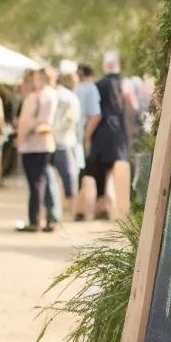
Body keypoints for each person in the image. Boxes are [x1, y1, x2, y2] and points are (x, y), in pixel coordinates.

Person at [81, 50, 128, 221]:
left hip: (101, 135)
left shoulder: (98, 85)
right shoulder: (125, 84)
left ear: (105, 65)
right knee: (110, 172)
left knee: (98, 172)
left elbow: (95, 113)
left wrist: (86, 136)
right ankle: (108, 206)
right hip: (118, 134)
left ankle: (102, 206)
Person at [15, 67, 57, 233]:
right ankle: (47, 218)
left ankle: (36, 221)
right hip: (43, 143)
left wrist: (22, 136)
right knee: (42, 182)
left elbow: (32, 121)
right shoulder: (50, 94)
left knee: (36, 184)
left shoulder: (38, 95)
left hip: (33, 144)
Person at [73, 63, 101, 222]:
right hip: (81, 138)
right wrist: (86, 137)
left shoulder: (77, 89)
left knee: (81, 175)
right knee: (87, 175)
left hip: (76, 137)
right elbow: (95, 115)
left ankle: (80, 210)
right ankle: (86, 211)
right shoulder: (91, 88)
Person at [52, 68, 81, 212]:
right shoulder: (70, 97)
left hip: (51, 140)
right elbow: (72, 119)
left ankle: (57, 206)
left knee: (54, 176)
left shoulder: (52, 94)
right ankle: (70, 207)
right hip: (65, 141)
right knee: (69, 175)